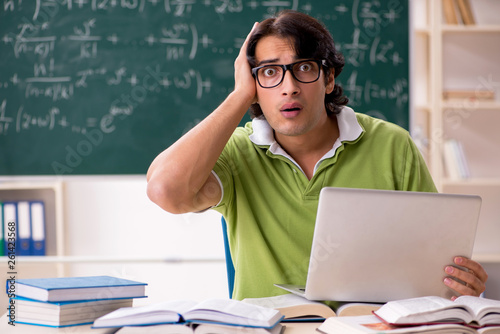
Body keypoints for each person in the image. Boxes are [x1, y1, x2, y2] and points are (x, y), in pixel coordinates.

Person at [147, 10, 487, 302]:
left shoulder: (392, 145)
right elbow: (165, 190)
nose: (288, 87)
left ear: (328, 78)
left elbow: (434, 258)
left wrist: (460, 285)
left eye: (304, 68)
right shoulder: (237, 152)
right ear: (253, 85)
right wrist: (239, 97)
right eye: (269, 72)